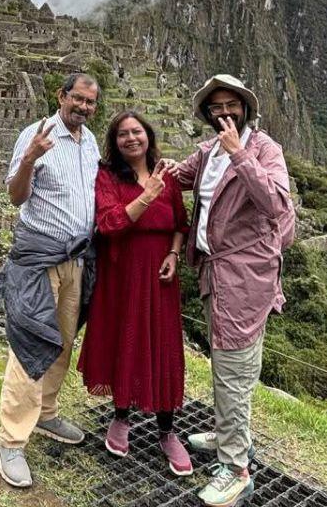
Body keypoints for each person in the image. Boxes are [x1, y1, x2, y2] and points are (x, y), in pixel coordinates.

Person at [164, 74, 295, 507]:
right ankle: (226, 433)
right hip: (213, 273)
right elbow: (173, 178)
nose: (223, 113)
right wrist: (126, 161)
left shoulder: (263, 149)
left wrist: (239, 155)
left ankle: (236, 468)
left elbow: (276, 203)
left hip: (244, 279)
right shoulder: (205, 153)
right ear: (207, 113)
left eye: (231, 105)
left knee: (234, 368)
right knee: (229, 362)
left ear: (245, 109)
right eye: (215, 106)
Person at [0, 72, 101, 489]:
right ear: (61, 96)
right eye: (77, 99)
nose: (83, 107)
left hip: (76, 259)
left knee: (63, 341)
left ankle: (48, 413)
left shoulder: (89, 142)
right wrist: (29, 159)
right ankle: (11, 441)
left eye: (90, 102)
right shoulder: (36, 135)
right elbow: (16, 196)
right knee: (30, 341)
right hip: (39, 257)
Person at [78, 111, 191, 476]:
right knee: (124, 340)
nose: (131, 138)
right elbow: (109, 223)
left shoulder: (166, 176)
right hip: (122, 273)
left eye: (136, 131)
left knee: (162, 345)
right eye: (123, 134)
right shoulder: (108, 177)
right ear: (115, 142)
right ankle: (121, 417)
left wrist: (174, 253)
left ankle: (167, 430)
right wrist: (147, 196)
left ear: (148, 135)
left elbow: (179, 224)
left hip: (159, 275)